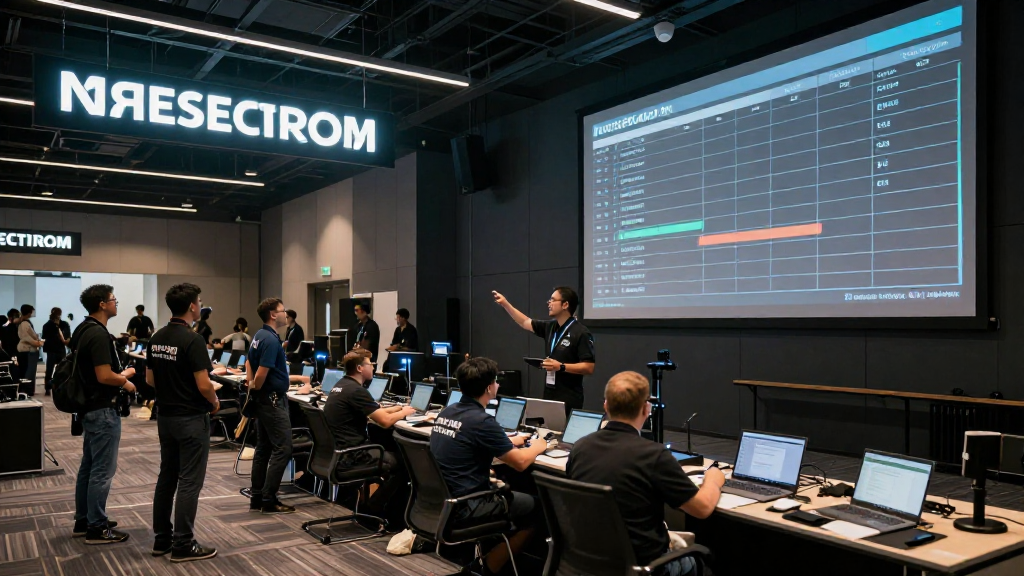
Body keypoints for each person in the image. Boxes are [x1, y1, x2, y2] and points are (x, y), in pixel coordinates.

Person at [567, 371, 725, 576]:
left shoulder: (580, 447)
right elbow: (702, 508)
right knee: (703, 565)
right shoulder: (653, 455)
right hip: (644, 567)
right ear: (646, 408)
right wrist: (713, 480)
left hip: (588, 561)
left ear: (605, 406)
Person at [430, 357, 554, 575]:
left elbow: (473, 441)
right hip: (470, 504)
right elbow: (521, 462)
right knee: (540, 509)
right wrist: (540, 444)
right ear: (489, 388)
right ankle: (487, 567)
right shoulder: (482, 421)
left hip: (447, 498)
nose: (498, 385)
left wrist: (511, 441)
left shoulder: (447, 412)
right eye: (496, 382)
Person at [147, 283, 220, 563]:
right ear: (192, 306)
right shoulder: (193, 340)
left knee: (167, 477)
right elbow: (204, 385)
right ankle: (183, 544)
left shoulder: (156, 337)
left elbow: (151, 380)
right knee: (189, 481)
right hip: (190, 419)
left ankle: (162, 540)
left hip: (165, 418)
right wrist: (214, 401)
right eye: (199, 301)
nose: (200, 305)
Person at [71, 284, 137, 544]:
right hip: (102, 409)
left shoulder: (82, 329)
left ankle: (83, 519)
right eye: (113, 299)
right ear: (101, 304)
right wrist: (126, 380)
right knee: (102, 470)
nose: (116, 303)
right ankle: (96, 528)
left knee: (88, 467)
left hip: (88, 407)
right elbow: (104, 375)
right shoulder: (98, 335)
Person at [323, 351, 416, 521]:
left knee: (393, 454)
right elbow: (385, 422)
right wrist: (404, 412)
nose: (373, 366)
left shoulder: (342, 386)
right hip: (356, 454)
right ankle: (374, 508)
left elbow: (368, 413)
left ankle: (378, 508)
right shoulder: (357, 391)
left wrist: (393, 409)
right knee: (406, 464)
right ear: (359, 368)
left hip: (342, 451)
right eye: (369, 364)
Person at [493, 287, 595, 414]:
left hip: (569, 396)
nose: (549, 303)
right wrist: (505, 304)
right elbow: (525, 322)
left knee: (562, 432)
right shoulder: (551, 327)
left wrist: (561, 367)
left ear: (565, 304)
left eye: (553, 300)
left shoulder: (581, 332)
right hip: (549, 392)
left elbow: (589, 367)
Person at [246, 297, 295, 514]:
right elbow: (262, 373)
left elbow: (248, 362)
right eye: (283, 311)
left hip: (263, 401)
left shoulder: (259, 335)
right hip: (273, 401)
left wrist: (251, 386)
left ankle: (257, 497)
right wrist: (255, 385)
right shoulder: (272, 340)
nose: (286, 314)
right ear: (273, 315)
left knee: (263, 449)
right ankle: (269, 498)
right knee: (283, 448)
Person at [42, 307, 71, 396]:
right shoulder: (64, 324)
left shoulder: (47, 325)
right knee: (62, 369)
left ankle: (48, 388)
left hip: (52, 349)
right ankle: (60, 387)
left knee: (50, 370)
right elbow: (67, 335)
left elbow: (44, 337)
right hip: (59, 349)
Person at [17, 304, 44, 395]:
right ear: (29, 312)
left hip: (27, 350)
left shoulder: (23, 322)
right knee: (29, 371)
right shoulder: (25, 323)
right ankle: (27, 390)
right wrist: (37, 343)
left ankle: (27, 389)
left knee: (27, 370)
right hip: (28, 350)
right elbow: (26, 338)